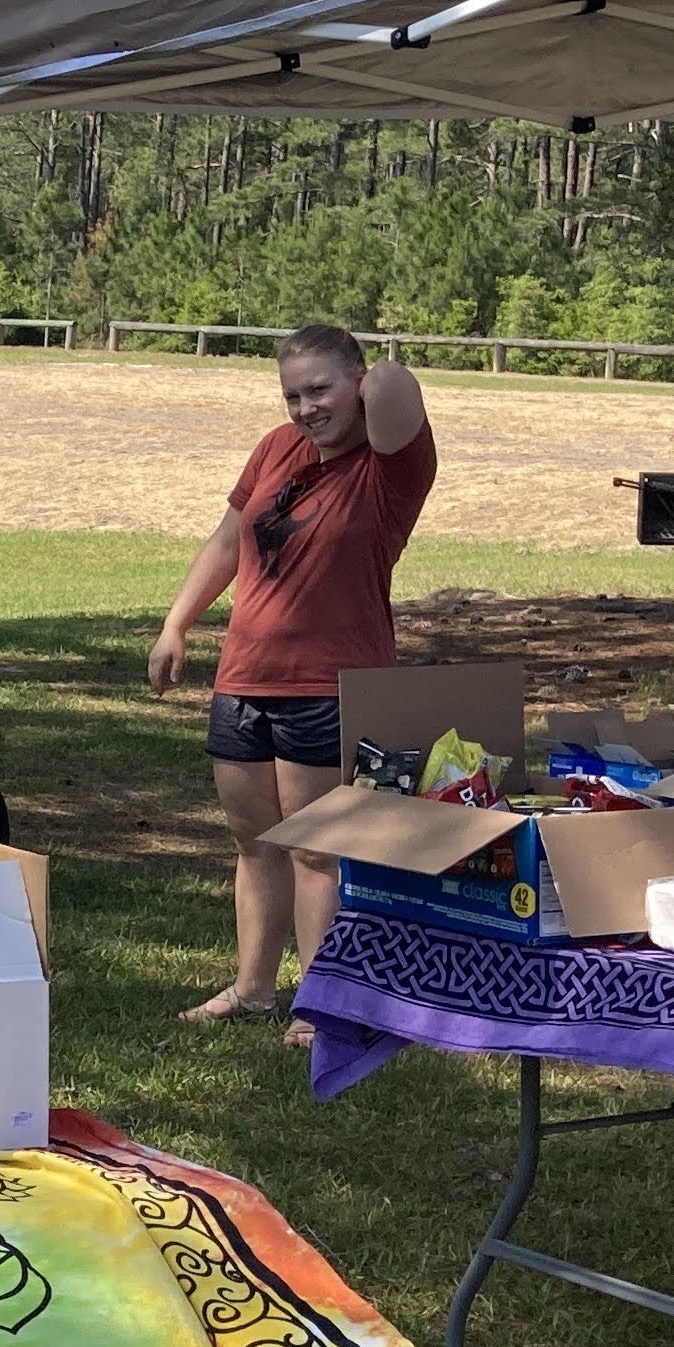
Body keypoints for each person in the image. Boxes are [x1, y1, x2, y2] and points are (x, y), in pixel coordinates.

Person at [145, 323, 432, 1025]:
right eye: (292, 395)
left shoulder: (391, 465)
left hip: (329, 684)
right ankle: (253, 991)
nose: (306, 409)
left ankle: (319, 1004)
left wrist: (368, 380)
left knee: (316, 853)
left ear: (357, 383)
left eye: (321, 389)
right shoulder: (277, 449)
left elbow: (399, 390)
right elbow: (227, 540)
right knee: (255, 845)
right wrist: (177, 623)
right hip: (244, 679)